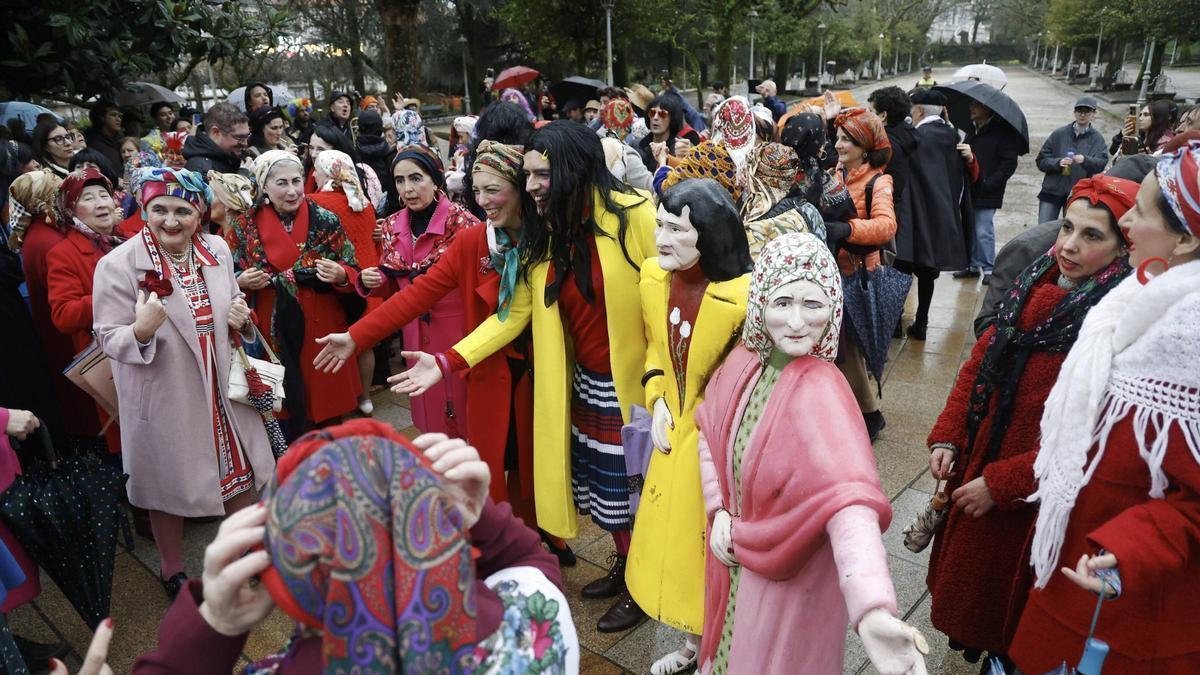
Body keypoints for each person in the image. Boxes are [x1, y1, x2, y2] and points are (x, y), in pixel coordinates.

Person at [390, 121, 657, 633]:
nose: (531, 185)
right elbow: (512, 315)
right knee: (610, 488)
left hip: (641, 386)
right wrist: (447, 360)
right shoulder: (547, 233)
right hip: (584, 385)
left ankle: (644, 586)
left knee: (640, 487)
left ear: (575, 169)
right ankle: (627, 568)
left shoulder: (635, 216)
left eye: (542, 173)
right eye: (528, 174)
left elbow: (666, 289)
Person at [132, 419, 577, 673]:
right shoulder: (535, 630)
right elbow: (530, 562)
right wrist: (480, 517)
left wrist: (213, 625)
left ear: (285, 572)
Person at [312, 141, 575, 562]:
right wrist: (356, 337)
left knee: (539, 460)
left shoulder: (550, 235)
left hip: (545, 369)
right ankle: (511, 546)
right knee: (495, 463)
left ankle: (547, 533)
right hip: (489, 369)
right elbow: (417, 296)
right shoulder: (473, 242)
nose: (484, 201)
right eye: (477, 191)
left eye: (495, 190)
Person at [925, 176, 1135, 671]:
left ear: (1123, 248)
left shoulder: (1115, 321)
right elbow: (979, 364)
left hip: (1036, 501)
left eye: (1092, 236)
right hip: (981, 462)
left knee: (1018, 615)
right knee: (979, 598)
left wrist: (1003, 484)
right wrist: (952, 435)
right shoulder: (1034, 281)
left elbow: (1096, 438)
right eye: (1067, 227)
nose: (1069, 245)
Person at [695, 232, 928, 675]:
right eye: (782, 303)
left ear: (834, 308)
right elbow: (708, 431)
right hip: (733, 562)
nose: (797, 323)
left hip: (790, 583)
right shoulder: (744, 361)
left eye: (813, 304)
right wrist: (719, 510)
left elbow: (851, 507)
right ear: (760, 300)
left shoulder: (822, 393)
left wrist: (872, 608)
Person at [1010, 140, 1200, 674]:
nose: (1130, 223)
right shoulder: (1140, 296)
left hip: (1128, 590)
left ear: (1185, 237)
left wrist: (1130, 550)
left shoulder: (1190, 337)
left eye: (1139, 213)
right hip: (1081, 563)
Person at [92, 167, 275, 599]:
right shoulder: (117, 265)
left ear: (198, 213)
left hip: (222, 385)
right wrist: (139, 330)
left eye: (181, 211)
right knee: (167, 485)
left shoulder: (217, 249)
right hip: (166, 392)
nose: (170, 221)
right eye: (159, 209)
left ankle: (241, 553)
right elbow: (106, 336)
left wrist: (241, 318)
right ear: (143, 210)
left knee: (239, 474)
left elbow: (233, 300)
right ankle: (172, 567)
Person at [627, 179, 753, 675]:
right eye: (660, 223)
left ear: (709, 233)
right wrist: (656, 396)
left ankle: (718, 649)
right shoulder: (654, 280)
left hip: (716, 444)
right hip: (673, 435)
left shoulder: (741, 299)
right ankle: (690, 636)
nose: (662, 237)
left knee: (713, 547)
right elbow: (656, 349)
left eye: (677, 228)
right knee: (676, 545)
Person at [225, 151, 362, 434]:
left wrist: (341, 275)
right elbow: (223, 277)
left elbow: (353, 269)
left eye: (297, 181)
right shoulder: (244, 226)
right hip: (271, 326)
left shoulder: (325, 220)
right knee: (282, 410)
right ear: (263, 186)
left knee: (327, 413)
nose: (292, 190)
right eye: (281, 183)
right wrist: (240, 281)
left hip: (320, 324)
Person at [355, 145, 476, 432]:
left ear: (436, 179)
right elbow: (393, 280)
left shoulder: (464, 224)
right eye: (400, 180)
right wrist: (373, 281)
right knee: (425, 410)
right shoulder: (392, 226)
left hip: (456, 330)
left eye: (416, 178)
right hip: (412, 331)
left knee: (462, 409)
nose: (408, 188)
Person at [44, 168, 124, 453]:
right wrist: (113, 295)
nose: (101, 203)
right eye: (88, 198)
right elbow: (63, 316)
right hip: (112, 360)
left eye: (104, 195)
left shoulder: (129, 239)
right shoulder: (63, 254)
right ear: (71, 209)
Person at [828, 108, 897, 440]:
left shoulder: (878, 180)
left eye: (847, 140)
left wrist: (847, 228)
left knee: (851, 353)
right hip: (831, 272)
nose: (839, 145)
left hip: (858, 277)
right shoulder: (834, 173)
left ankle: (870, 415)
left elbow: (886, 225)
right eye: (838, 138)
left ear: (865, 146)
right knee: (840, 351)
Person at [306, 149, 380, 415]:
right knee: (364, 344)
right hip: (368, 278)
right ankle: (366, 398)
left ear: (329, 172)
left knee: (338, 343)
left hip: (339, 282)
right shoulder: (364, 202)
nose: (313, 173)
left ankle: (345, 397)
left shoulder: (314, 202)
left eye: (317, 168)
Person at [902, 88, 972, 339]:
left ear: (919, 110)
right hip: (941, 212)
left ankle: (896, 324)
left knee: (903, 266)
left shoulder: (917, 136)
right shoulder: (954, 135)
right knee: (927, 272)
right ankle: (922, 321)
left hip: (916, 212)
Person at [958, 97, 1022, 282]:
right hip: (970, 187)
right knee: (968, 227)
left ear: (987, 108)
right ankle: (970, 264)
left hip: (988, 189)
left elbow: (1009, 163)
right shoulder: (972, 131)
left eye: (975, 105)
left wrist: (990, 183)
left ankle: (987, 268)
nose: (971, 108)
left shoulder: (1002, 133)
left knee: (983, 229)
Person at [1035, 96, 1109, 223]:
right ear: (1074, 112)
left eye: (1087, 111)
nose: (1083, 114)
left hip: (1078, 194)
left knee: (1071, 232)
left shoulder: (1097, 139)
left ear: (1094, 114)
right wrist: (1058, 163)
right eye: (1079, 110)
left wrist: (1085, 160)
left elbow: (1101, 163)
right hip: (1052, 191)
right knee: (1042, 230)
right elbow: (1041, 160)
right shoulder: (1059, 134)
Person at [637, 93, 702, 173]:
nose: (655, 117)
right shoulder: (636, 145)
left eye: (662, 114)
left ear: (672, 119)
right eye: (652, 113)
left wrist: (691, 156)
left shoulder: (682, 148)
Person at [183, 103, 249, 175]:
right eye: (239, 137)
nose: (245, 143)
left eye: (247, 136)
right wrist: (243, 174)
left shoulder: (229, 156)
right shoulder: (201, 170)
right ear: (215, 132)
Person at [354, 110, 397, 215]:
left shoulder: (352, 155)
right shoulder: (392, 155)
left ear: (359, 129)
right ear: (380, 129)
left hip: (364, 212)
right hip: (391, 211)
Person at [204, 170, 255, 236]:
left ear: (228, 204)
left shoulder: (247, 242)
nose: (207, 200)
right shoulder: (216, 240)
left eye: (212, 195)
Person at [84, 100, 125, 172]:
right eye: (113, 115)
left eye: (119, 116)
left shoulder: (122, 141)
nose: (118, 119)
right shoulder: (93, 145)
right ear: (101, 118)